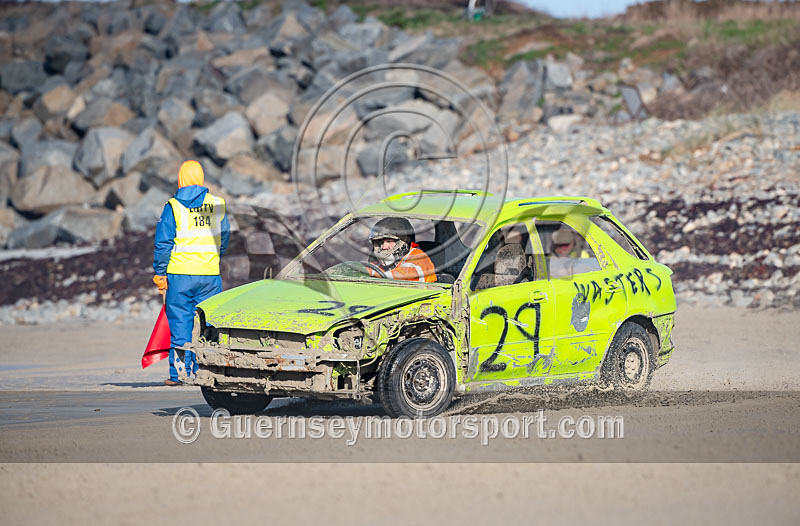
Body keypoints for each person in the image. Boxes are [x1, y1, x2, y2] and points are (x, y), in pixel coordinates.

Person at [153, 160, 230, 386]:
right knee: (208, 325)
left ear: (181, 179)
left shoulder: (174, 206)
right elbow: (224, 237)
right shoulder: (217, 203)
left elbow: (163, 243)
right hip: (209, 274)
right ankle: (204, 371)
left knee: (180, 324)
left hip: (180, 275)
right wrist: (215, 258)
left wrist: (160, 273)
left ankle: (179, 375)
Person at [365, 217, 437, 282]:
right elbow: (368, 269)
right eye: (380, 242)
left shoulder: (418, 260)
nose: (384, 247)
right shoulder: (383, 261)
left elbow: (399, 277)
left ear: (403, 242)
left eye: (389, 241)